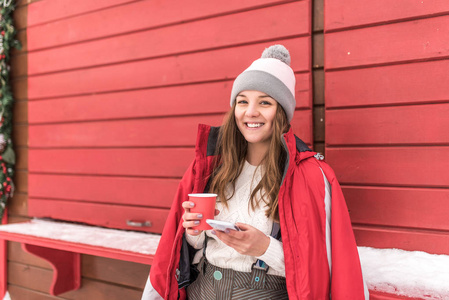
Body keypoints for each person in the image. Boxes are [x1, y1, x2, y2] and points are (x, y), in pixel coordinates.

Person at [142, 45, 369, 300]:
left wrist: (266, 248)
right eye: (242, 101)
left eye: (264, 102)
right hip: (201, 290)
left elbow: (323, 268)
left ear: (281, 112)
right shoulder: (210, 167)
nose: (250, 112)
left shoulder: (310, 176)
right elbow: (183, 252)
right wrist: (193, 233)